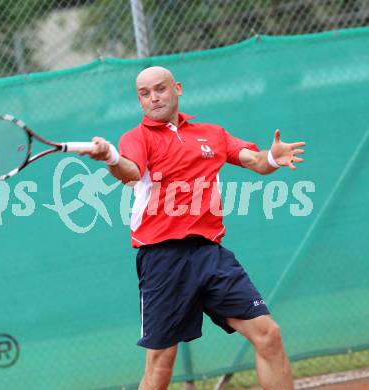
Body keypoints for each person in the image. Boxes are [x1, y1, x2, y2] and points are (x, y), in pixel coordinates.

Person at [80, 66, 305, 390]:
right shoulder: (136, 138)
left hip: (210, 254)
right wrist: (111, 157)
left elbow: (255, 161)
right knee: (161, 366)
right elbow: (130, 172)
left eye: (160, 89)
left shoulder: (211, 133)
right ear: (139, 99)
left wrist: (271, 157)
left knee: (268, 335)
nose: (153, 97)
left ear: (177, 89)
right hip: (162, 258)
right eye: (145, 93)